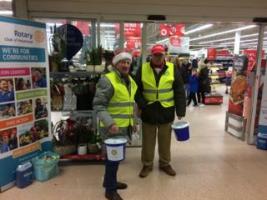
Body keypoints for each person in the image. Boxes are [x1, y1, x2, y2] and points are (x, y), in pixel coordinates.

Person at [135, 44, 186, 178]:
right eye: (155, 55)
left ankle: (165, 163)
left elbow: (179, 90)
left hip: (166, 110)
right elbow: (136, 89)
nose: (158, 57)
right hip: (149, 110)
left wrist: (181, 111)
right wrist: (142, 104)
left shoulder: (172, 68)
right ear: (151, 55)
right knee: (148, 140)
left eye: (160, 55)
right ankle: (147, 164)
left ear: (164, 55)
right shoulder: (143, 68)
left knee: (165, 139)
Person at [93, 51, 137, 200]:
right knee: (112, 159)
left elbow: (130, 104)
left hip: (123, 127)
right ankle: (109, 190)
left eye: (128, 62)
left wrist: (134, 122)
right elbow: (99, 105)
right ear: (115, 64)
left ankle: (110, 181)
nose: (125, 65)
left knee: (116, 158)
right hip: (111, 128)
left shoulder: (129, 80)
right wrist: (110, 123)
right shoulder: (107, 80)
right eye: (122, 62)